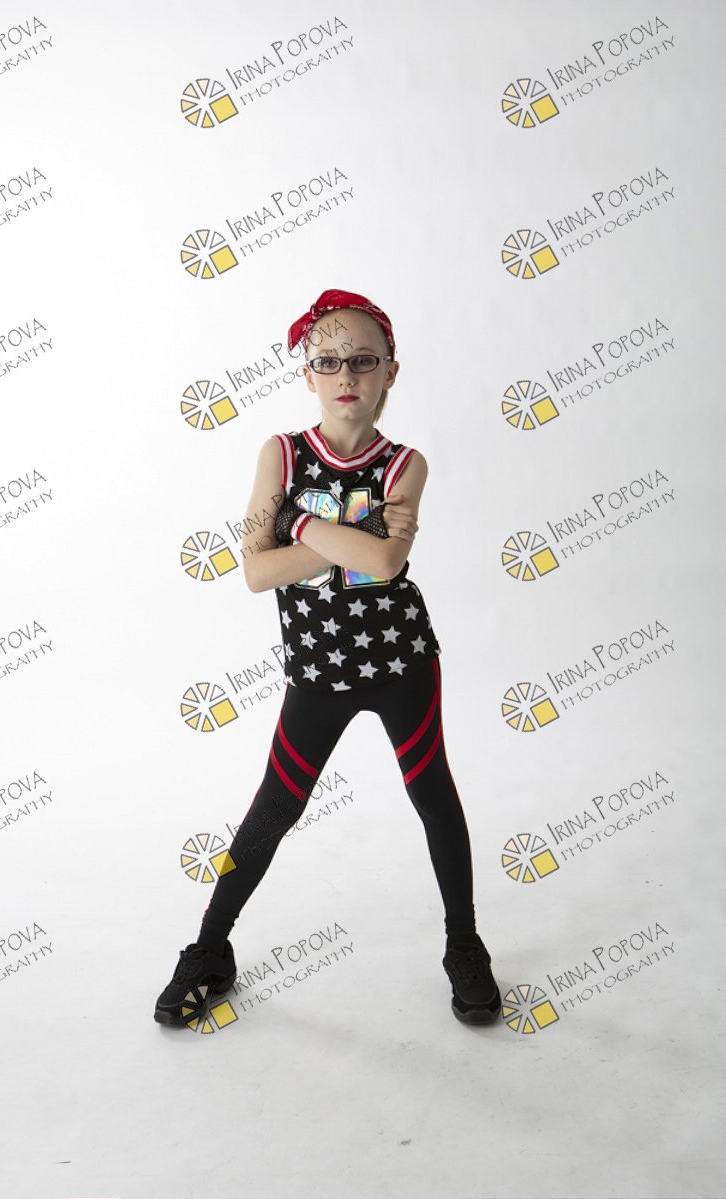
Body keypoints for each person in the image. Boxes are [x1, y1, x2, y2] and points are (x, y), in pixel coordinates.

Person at [154, 287, 501, 1028]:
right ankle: (210, 948)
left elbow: (386, 564)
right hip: (318, 669)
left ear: (390, 372)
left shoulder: (405, 464)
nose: (347, 374)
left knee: (433, 795)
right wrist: (348, 537)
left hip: (402, 660)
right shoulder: (280, 454)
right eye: (329, 361)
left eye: (364, 360)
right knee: (274, 807)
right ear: (307, 372)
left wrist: (300, 523)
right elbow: (256, 572)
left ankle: (464, 943)